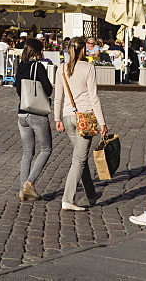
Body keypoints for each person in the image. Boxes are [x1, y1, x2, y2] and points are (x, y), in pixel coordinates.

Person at [53, 36, 108, 211]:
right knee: (79, 158)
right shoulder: (88, 67)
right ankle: (68, 198)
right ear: (83, 50)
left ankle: (91, 194)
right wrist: (102, 122)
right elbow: (94, 97)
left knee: (80, 156)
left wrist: (57, 118)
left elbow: (58, 97)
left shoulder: (62, 68)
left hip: (68, 117)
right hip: (85, 118)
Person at [13, 39, 53, 202]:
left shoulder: (20, 67)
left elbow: (17, 89)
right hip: (37, 113)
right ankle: (29, 183)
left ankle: (23, 188)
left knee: (27, 152)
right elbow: (48, 90)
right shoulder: (38, 67)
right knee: (46, 149)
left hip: (22, 113)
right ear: (37, 51)